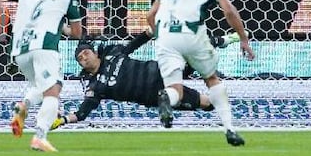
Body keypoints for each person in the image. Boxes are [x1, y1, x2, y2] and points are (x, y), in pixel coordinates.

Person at [145, 0, 255, 146]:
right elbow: (228, 11)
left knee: (175, 89)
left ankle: (166, 97)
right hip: (192, 32)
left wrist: (159, 37)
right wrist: (243, 38)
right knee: (212, 79)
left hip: (166, 35)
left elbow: (151, 14)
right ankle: (230, 129)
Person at [0, 0, 84, 152]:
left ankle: (24, 105)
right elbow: (77, 33)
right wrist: (62, 27)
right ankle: (40, 137)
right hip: (45, 47)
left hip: (20, 49)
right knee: (53, 90)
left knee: (42, 86)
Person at [51, 33, 231, 129]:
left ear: (95, 52)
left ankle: (223, 40)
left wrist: (151, 30)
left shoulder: (113, 53)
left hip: (161, 72)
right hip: (152, 96)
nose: (84, 58)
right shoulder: (95, 87)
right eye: (80, 58)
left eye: (86, 53)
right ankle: (167, 101)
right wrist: (63, 120)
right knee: (207, 103)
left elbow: (135, 43)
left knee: (191, 54)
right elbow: (82, 113)